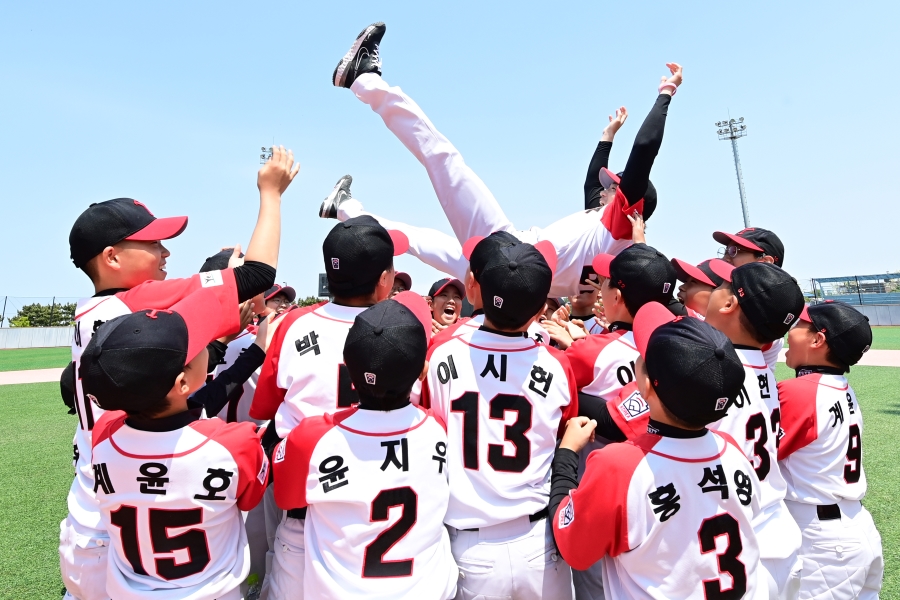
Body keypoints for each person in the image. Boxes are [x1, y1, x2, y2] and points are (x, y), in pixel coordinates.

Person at [60, 147, 298, 600]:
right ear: (111, 257)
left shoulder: (84, 314)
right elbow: (258, 274)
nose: (165, 250)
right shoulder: (141, 304)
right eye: (151, 242)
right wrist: (271, 194)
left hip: (90, 505)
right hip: (142, 513)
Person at [330, 22, 681, 296]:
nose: (605, 191)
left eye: (614, 188)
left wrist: (665, 94)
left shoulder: (618, 225)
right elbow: (592, 182)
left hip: (512, 253)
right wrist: (608, 137)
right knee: (423, 242)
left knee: (443, 159)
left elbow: (645, 149)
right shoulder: (607, 234)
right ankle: (345, 207)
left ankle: (362, 79)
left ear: (631, 205)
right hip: (513, 279)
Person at [550, 302, 767, 599]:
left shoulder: (619, 466)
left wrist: (566, 453)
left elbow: (573, 548)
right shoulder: (733, 451)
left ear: (648, 387)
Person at [248, 215, 408, 599]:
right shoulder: (405, 324)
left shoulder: (294, 324)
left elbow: (267, 406)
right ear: (385, 279)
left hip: (304, 507)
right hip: (385, 503)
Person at [82, 288, 269, 600]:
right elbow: (250, 501)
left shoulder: (103, 432)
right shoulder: (233, 442)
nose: (206, 343)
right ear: (182, 382)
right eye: (195, 345)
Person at [423, 232, 578, 599]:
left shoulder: (443, 353)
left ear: (474, 289)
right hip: (539, 543)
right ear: (541, 311)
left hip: (470, 546)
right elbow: (564, 432)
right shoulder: (556, 365)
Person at [272, 296, 458, 599]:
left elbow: (287, 498)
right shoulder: (436, 428)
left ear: (350, 373)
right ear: (422, 371)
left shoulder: (312, 437)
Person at [705, 259, 806, 598]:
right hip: (778, 526)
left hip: (740, 538)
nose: (714, 290)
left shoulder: (714, 370)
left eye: (722, 286)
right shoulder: (764, 369)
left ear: (730, 303)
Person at [778, 301, 884, 599]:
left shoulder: (802, 390)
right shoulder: (840, 386)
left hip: (823, 541)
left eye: (798, 325)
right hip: (852, 529)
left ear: (817, 339)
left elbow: (757, 457)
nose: (790, 332)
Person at [712, 226, 787, 371]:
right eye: (726, 251)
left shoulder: (764, 316)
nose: (725, 258)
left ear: (765, 262)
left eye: (734, 251)